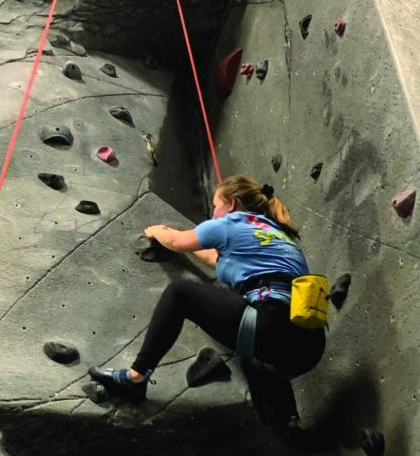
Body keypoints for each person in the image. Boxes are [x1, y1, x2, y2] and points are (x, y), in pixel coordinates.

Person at [89, 175, 326, 428]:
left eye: (215, 206)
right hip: (309, 346)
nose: (213, 214)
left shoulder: (231, 223)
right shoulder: (280, 233)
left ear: (231, 203)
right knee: (258, 361)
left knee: (180, 293)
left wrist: (158, 231)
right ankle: (291, 422)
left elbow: (177, 242)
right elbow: (215, 260)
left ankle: (135, 378)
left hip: (269, 323)